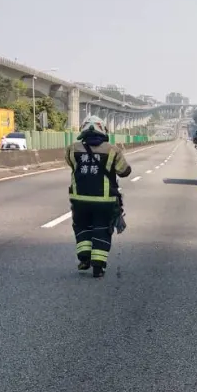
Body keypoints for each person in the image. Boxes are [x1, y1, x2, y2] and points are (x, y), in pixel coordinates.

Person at [66, 115, 131, 277]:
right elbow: (124, 171)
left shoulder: (72, 149)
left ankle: (84, 258)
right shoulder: (112, 150)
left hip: (79, 199)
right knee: (102, 229)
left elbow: (71, 164)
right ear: (103, 130)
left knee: (81, 228)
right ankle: (98, 266)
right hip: (105, 201)